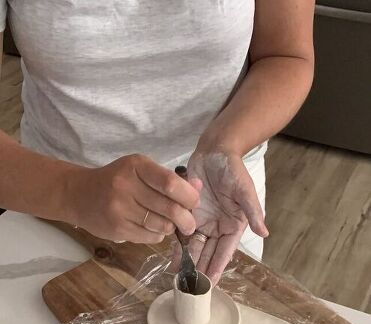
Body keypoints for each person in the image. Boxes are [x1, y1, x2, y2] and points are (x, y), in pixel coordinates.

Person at [0, 1, 315, 285]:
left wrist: (225, 143)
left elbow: (285, 53)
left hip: (216, 207)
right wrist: (75, 192)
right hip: (52, 201)